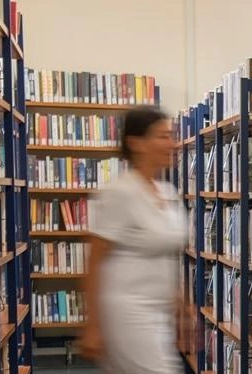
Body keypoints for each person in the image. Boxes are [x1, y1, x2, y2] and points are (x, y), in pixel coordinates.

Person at [79, 106, 187, 373]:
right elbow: (94, 262)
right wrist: (92, 325)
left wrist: (179, 302)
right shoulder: (120, 193)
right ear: (136, 143)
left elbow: (162, 254)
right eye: (162, 137)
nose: (172, 144)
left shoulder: (169, 192)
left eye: (170, 135)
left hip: (159, 313)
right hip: (127, 312)